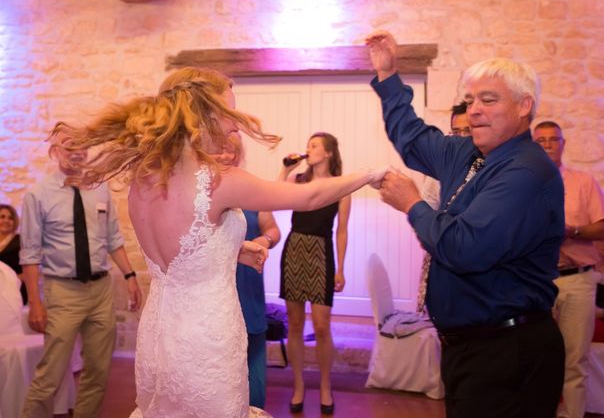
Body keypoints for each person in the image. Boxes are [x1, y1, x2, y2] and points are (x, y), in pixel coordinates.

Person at [52, 66, 386, 418]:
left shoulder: (144, 180)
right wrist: (369, 174)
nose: (235, 125)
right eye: (230, 113)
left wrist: (234, 249)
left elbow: (178, 252)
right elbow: (308, 197)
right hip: (207, 338)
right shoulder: (217, 180)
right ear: (205, 115)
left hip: (159, 334)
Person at [366, 30, 565, 418]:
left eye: (488, 100)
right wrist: (389, 75)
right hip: (467, 348)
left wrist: (412, 204)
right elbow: (412, 137)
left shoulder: (526, 170)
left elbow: (463, 247)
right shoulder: (467, 153)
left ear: (525, 106)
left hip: (508, 350)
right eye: (471, 100)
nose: (474, 110)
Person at [19, 137, 142, 418]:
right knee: (51, 374)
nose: (77, 153)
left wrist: (130, 275)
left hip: (101, 291)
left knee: (98, 373)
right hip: (62, 292)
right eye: (69, 146)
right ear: (55, 151)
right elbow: (30, 254)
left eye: (82, 146)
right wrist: (36, 303)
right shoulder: (38, 195)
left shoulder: (99, 189)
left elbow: (113, 238)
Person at [533, 120, 604, 418]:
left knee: (574, 362)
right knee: (536, 359)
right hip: (535, 282)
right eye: (540, 140)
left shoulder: (584, 182)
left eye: (553, 139)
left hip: (577, 282)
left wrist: (572, 232)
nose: (547, 145)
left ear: (563, 144)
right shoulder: (522, 184)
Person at [279, 132, 350, 414]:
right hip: (295, 247)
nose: (309, 149)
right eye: (308, 145)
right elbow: (275, 197)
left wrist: (341, 267)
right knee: (295, 325)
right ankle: (298, 385)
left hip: (322, 251)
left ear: (329, 152)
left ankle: (324, 385)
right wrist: (286, 168)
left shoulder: (341, 187)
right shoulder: (299, 180)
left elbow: (342, 230)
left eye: (315, 145)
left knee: (321, 326)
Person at [228, 135, 282, 409]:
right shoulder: (205, 192)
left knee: (255, 382)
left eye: (234, 150)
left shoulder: (251, 190)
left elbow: (273, 229)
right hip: (220, 294)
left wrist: (265, 240)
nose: (228, 155)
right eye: (223, 149)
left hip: (249, 290)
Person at [418, 103, 469, 313]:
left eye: (468, 130)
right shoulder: (442, 168)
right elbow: (426, 211)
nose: (462, 137)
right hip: (441, 256)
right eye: (456, 131)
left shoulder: (487, 166)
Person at [0, 203, 27, 304]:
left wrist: (10, 280)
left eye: (10, 218)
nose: (6, 220)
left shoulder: (21, 241)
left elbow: (29, 270)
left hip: (14, 292)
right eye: (2, 217)